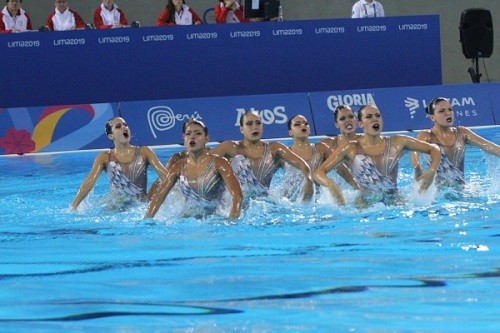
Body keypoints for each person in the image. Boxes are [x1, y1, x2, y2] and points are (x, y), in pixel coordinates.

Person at [313, 104, 440, 206]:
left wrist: (432, 170)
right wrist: (332, 186)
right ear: (360, 124)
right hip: (365, 204)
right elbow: (318, 172)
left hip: (394, 200)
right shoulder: (351, 148)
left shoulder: (398, 142)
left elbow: (434, 149)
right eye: (369, 117)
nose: (375, 119)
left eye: (377, 115)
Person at [145, 119, 242, 219]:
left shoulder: (219, 163)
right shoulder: (178, 166)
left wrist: (232, 220)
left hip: (214, 219)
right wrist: (147, 219)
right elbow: (159, 195)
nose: (192, 137)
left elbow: (237, 195)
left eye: (198, 133)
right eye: (188, 134)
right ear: (184, 138)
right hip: (187, 219)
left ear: (207, 139)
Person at [211, 110, 314, 202]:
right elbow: (204, 163)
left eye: (258, 123)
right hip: (234, 202)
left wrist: (309, 182)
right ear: (241, 129)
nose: (255, 127)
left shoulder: (275, 149)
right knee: (239, 160)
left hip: (263, 204)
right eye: (249, 124)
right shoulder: (230, 147)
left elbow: (304, 166)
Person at [71, 117, 168, 210]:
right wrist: (74, 206)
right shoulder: (104, 157)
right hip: (114, 207)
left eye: (125, 125)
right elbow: (89, 182)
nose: (124, 127)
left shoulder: (144, 152)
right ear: (110, 136)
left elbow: (164, 175)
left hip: (139, 205)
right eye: (118, 126)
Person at [411, 97, 500, 187]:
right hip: (437, 190)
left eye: (450, 109)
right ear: (432, 117)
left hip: (460, 188)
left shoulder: (462, 133)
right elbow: (414, 153)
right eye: (442, 111)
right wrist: (417, 167)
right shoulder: (427, 135)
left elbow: (488, 146)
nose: (447, 113)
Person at [283, 113, 359, 200]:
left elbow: (342, 170)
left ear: (310, 130)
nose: (303, 125)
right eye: (297, 124)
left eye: (306, 123)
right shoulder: (284, 153)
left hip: (315, 201)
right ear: (290, 132)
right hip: (289, 202)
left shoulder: (321, 149)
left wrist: (357, 187)